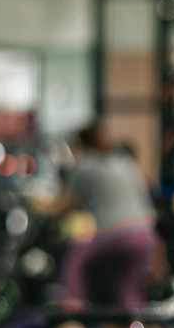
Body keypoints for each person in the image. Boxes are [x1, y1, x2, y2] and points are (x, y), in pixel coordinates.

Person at [55, 123, 159, 313]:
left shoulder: (84, 167)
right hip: (146, 233)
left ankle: (71, 316)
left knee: (76, 258)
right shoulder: (125, 163)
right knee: (129, 291)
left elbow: (65, 205)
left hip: (118, 233)